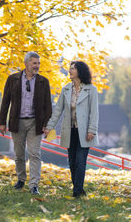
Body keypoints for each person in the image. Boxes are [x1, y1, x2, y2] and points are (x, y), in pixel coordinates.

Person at [0, 52, 52, 195]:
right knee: (19, 154)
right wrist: (2, 122)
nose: (37, 66)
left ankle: (34, 185)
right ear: (26, 64)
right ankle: (21, 179)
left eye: (38, 63)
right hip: (17, 121)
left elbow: (48, 105)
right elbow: (5, 101)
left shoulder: (43, 81)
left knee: (35, 154)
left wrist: (47, 124)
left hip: (36, 122)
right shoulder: (13, 79)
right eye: (34, 63)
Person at [44, 61, 99, 197]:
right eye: (70, 68)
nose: (69, 70)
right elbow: (57, 111)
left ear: (80, 71)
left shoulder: (91, 89)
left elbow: (94, 112)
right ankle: (79, 188)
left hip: (85, 132)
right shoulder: (66, 89)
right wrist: (49, 127)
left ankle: (76, 191)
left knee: (80, 161)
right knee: (72, 162)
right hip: (70, 131)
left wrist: (92, 130)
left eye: (73, 68)